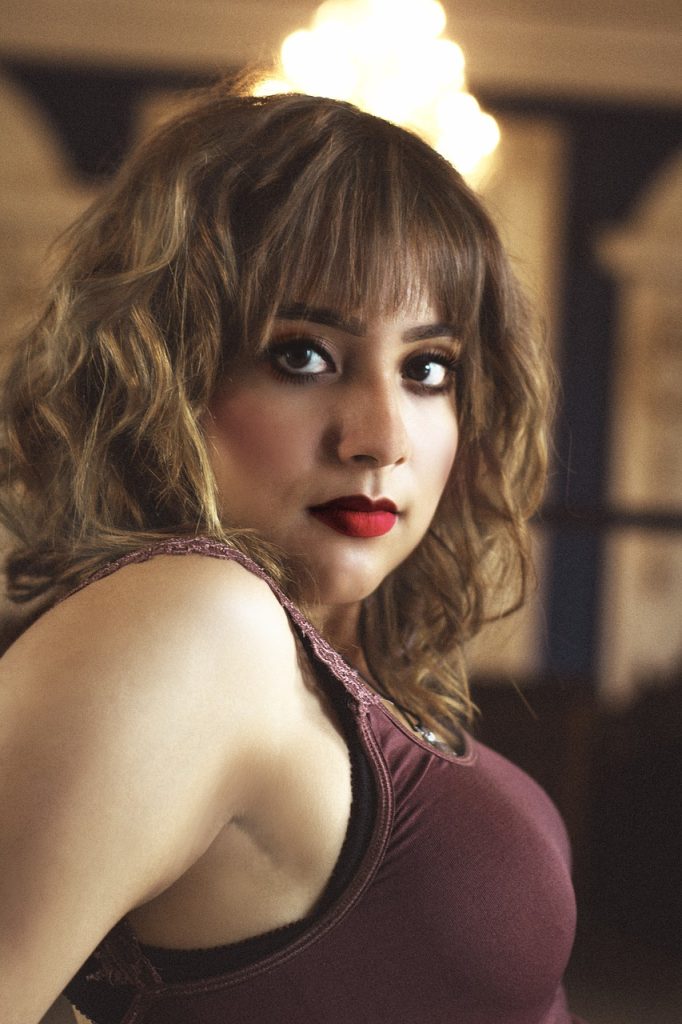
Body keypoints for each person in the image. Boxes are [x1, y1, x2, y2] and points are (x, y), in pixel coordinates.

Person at [0, 83, 584, 1023]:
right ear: (168, 371)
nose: (380, 438)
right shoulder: (197, 620)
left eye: (427, 367)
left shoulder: (331, 662)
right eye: (303, 356)